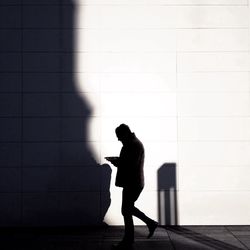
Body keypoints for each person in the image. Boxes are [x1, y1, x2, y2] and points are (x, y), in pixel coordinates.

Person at [107, 124, 158, 249]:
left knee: (126, 210)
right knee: (127, 209)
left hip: (133, 183)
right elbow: (129, 161)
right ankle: (149, 224)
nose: (118, 139)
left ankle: (129, 240)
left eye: (119, 136)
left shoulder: (134, 145)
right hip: (132, 182)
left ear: (125, 133)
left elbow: (130, 164)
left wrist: (117, 162)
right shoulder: (132, 143)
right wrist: (119, 161)